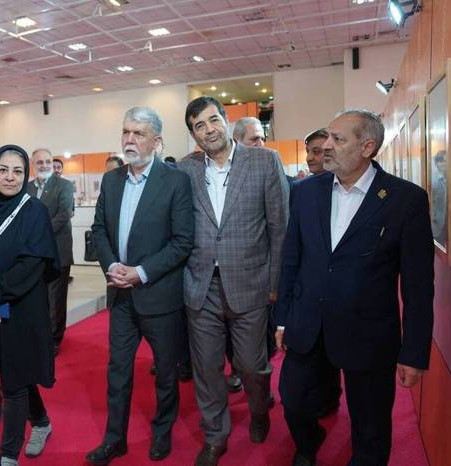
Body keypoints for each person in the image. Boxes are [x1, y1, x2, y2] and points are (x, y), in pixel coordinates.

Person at [275, 109, 434, 466]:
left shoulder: (404, 199)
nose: (326, 146)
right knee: (294, 400)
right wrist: (282, 317)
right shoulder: (306, 193)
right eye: (327, 137)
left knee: (371, 428)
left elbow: (418, 285)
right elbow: (291, 260)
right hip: (309, 324)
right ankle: (309, 442)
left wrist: (414, 351)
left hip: (369, 335)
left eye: (338, 139)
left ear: (367, 147)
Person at [179, 97, 289, 466]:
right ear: (193, 134)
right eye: (199, 125)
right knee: (207, 368)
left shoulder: (264, 161)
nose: (208, 129)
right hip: (201, 285)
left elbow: (279, 228)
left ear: (226, 120)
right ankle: (215, 435)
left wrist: (276, 284)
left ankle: (259, 410)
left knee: (252, 365)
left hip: (251, 282)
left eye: (213, 120)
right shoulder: (185, 170)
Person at [88, 106, 194, 465]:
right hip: (120, 297)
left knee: (165, 373)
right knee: (117, 372)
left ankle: (162, 431)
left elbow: (182, 241)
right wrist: (113, 266)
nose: (129, 140)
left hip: (159, 296)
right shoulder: (112, 180)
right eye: (126, 132)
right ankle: (114, 439)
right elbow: (99, 230)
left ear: (157, 141)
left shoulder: (175, 181)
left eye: (138, 133)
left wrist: (141, 272)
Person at [0, 145, 60, 466]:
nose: (10, 178)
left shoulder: (34, 211)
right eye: (3, 170)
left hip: (19, 305)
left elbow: (33, 265)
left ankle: (8, 456)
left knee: (14, 380)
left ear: (25, 174)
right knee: (10, 372)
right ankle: (41, 421)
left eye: (17, 171)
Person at [300, 128, 342, 418]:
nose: (310, 158)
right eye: (309, 151)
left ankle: (330, 396)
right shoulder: (302, 192)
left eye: (317, 151)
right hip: (308, 296)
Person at [28, 149, 74, 356]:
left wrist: (40, 233)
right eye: (40, 162)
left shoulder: (64, 185)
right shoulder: (27, 187)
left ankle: (54, 339)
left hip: (58, 250)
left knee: (56, 299)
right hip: (33, 252)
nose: (45, 165)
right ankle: (40, 334)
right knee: (39, 298)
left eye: (48, 161)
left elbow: (64, 214)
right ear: (33, 164)